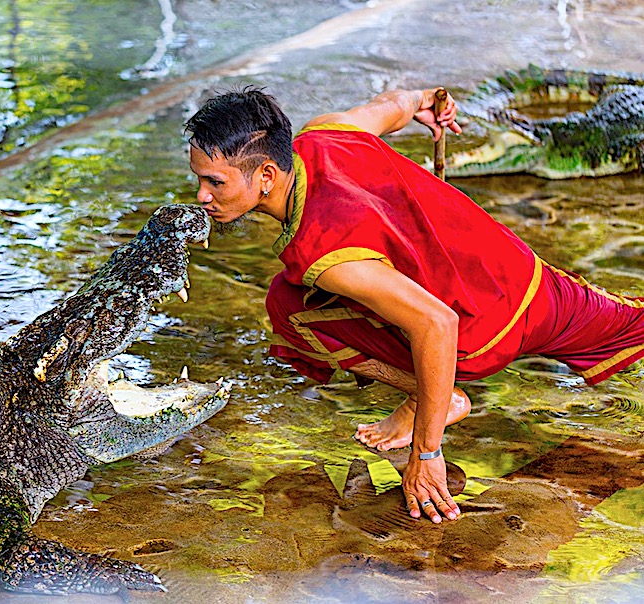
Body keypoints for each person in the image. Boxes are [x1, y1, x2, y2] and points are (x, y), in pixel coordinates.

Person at [183, 86, 644, 525]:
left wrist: (427, 454)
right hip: (526, 278)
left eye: (214, 182)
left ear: (266, 176)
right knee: (633, 322)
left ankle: (437, 400)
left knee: (290, 309)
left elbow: (439, 324)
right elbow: (395, 104)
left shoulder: (326, 257)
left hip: (478, 333)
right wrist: (427, 101)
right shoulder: (327, 133)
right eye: (199, 179)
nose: (202, 196)